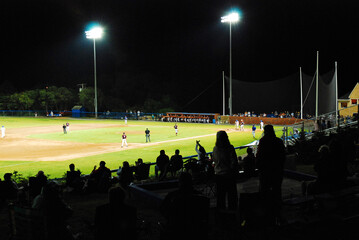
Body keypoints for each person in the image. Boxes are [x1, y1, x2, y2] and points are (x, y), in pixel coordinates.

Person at [159, 172, 208, 240]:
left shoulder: (172, 196)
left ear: (180, 182)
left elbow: (164, 211)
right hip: (196, 229)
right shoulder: (200, 196)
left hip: (176, 229)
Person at [256, 124, 286, 224]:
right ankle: (277, 210)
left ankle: (266, 211)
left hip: (266, 171)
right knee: (277, 190)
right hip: (277, 170)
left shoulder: (263, 141)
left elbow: (259, 156)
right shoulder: (278, 141)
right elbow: (283, 156)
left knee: (265, 190)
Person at [212, 131, 238, 210]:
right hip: (229, 175)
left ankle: (221, 218)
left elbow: (214, 161)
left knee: (220, 198)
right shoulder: (230, 148)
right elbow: (234, 162)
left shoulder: (215, 148)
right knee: (232, 198)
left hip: (218, 176)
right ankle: (233, 217)